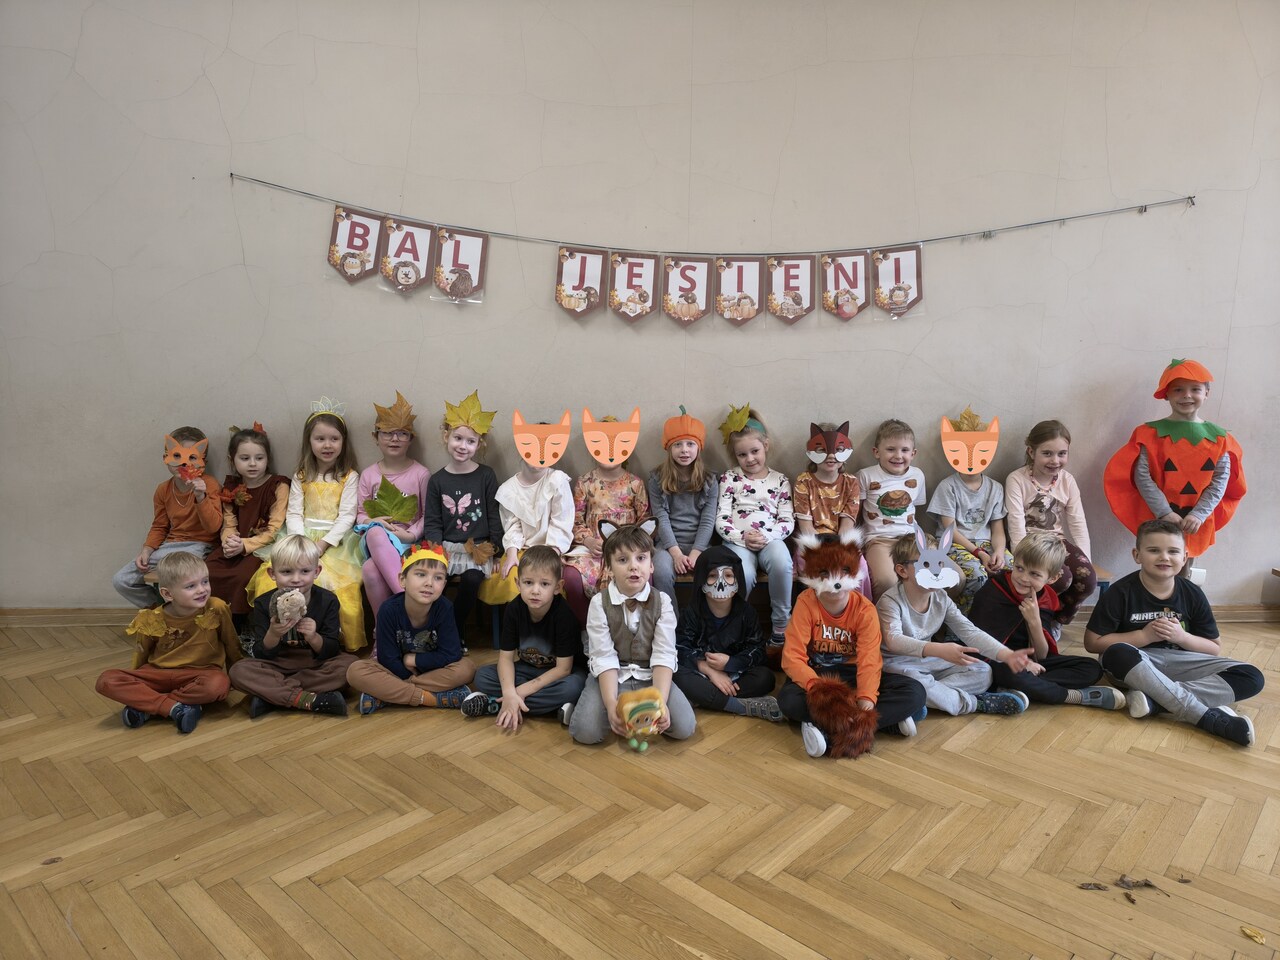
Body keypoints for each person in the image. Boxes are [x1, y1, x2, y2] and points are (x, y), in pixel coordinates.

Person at [1084, 519, 1264, 746]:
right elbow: (1092, 643)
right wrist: (1144, 637)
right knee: (1116, 652)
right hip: (1136, 665)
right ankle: (1206, 718)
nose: (1164, 557)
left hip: (1180, 663)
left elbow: (1213, 648)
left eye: (1173, 551)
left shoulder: (1192, 594)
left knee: (1251, 676)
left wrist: (1181, 637)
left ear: (1184, 557)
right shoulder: (1120, 592)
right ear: (1137, 555)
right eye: (1154, 550)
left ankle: (1156, 701)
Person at [778, 531, 927, 758]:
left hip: (854, 674)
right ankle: (881, 724)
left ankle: (826, 729)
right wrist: (820, 690)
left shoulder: (865, 609)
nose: (835, 582)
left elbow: (869, 660)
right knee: (788, 700)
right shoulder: (805, 602)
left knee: (915, 692)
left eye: (843, 571)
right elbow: (792, 658)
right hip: (818, 676)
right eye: (825, 573)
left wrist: (866, 699)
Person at [247, 398, 366, 650]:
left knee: (339, 585)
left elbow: (347, 516)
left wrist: (322, 544)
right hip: (300, 537)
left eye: (334, 439)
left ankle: (333, 641)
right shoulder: (302, 475)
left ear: (343, 442)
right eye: (320, 439)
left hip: (335, 542)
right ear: (309, 441)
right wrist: (300, 542)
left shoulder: (349, 476)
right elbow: (294, 513)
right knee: (269, 580)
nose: (327, 445)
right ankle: (276, 637)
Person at [1104, 359, 1247, 570]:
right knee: (1154, 565)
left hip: (1194, 521)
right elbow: (1142, 476)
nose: (1187, 395)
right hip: (1158, 515)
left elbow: (1220, 482)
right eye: (1178, 389)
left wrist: (1198, 514)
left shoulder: (1220, 439)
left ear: (1206, 393)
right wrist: (1164, 511)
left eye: (1195, 389)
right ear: (1166, 394)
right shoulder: (1148, 434)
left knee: (1183, 570)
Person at [877, 529, 1033, 718]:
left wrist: (1007, 655)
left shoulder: (941, 597)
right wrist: (938, 649)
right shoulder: (890, 601)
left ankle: (926, 699)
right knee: (916, 682)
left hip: (926, 661)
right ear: (902, 570)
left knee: (983, 671)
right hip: (895, 664)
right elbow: (893, 640)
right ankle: (975, 703)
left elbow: (970, 632)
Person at [568, 521, 697, 745]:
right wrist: (611, 704)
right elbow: (603, 656)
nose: (633, 566)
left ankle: (636, 712)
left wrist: (660, 701)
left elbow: (664, 654)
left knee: (684, 727)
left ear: (652, 565)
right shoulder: (599, 603)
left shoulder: (663, 602)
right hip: (613, 677)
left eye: (641, 558)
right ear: (609, 567)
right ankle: (579, 712)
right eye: (622, 560)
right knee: (586, 732)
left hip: (650, 677)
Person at [969, 532, 1122, 709]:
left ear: (1052, 578)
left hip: (1028, 663)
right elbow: (979, 645)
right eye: (1019, 568)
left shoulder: (1045, 598)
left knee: (1091, 667)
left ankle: (1020, 687)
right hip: (997, 660)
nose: (1023, 578)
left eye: (1034, 574)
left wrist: (1034, 621)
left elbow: (1042, 655)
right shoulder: (994, 589)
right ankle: (1071, 696)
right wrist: (1022, 663)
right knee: (1005, 672)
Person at [96, 552, 239, 734]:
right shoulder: (151, 617)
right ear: (167, 594)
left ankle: (150, 706)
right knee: (106, 680)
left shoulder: (216, 607)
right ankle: (177, 708)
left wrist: (235, 675)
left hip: (200, 674)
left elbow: (230, 641)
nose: (202, 590)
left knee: (218, 684)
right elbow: (141, 653)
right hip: (157, 673)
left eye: (205, 581)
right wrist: (136, 680)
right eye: (191, 586)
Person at [228, 535, 356, 717]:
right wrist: (273, 634)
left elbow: (332, 649)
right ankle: (307, 699)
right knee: (238, 671)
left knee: (351, 666)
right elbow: (260, 653)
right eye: (287, 572)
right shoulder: (263, 603)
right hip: (277, 664)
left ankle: (272, 696)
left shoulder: (328, 600)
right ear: (272, 574)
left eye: (305, 571)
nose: (296, 579)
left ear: (316, 571)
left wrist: (314, 637)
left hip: (314, 664)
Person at [460, 546, 586, 730]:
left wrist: (517, 692)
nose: (535, 591)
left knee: (574, 686)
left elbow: (563, 669)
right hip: (526, 670)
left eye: (544, 584)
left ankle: (496, 704)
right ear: (518, 584)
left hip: (557, 674)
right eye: (528, 583)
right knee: (482, 677)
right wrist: (509, 692)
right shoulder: (514, 609)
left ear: (558, 587)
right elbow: (505, 659)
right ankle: (548, 708)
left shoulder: (563, 615)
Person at [346, 542, 477, 713]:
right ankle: (432, 699)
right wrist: (408, 676)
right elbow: (387, 658)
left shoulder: (444, 608)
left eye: (438, 578)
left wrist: (413, 660)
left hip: (433, 670)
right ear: (402, 580)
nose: (429, 583)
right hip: (396, 671)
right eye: (421, 574)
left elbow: (451, 654)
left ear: (444, 584)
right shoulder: (388, 610)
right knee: (355, 671)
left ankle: (386, 695)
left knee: (467, 668)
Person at [112, 427, 223, 608]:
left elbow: (213, 527)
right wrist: (147, 550)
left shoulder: (209, 485)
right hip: (169, 547)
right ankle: (162, 610)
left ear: (203, 461)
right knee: (122, 579)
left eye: (192, 458)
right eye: (177, 456)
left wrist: (201, 497)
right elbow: (159, 526)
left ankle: (179, 612)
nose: (184, 463)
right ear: (166, 457)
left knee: (181, 580)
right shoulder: (163, 489)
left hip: (201, 546)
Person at [478, 410, 575, 609]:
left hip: (551, 550)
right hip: (522, 550)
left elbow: (561, 521)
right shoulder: (508, 490)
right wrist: (512, 554)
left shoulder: (557, 481)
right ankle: (518, 625)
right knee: (514, 582)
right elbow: (512, 526)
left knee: (547, 581)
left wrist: (552, 552)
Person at [423, 391, 502, 636]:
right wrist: (436, 552)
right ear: (446, 436)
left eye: (471, 441)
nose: (463, 446)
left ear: (479, 444)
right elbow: (433, 522)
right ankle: (432, 631)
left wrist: (497, 552)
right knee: (433, 582)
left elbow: (494, 516)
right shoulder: (437, 480)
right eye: (458, 438)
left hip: (479, 550)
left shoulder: (486, 475)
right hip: (447, 549)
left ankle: (453, 632)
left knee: (471, 580)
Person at [715, 405, 794, 646]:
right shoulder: (730, 478)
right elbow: (721, 519)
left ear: (765, 446)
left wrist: (766, 536)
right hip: (737, 542)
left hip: (770, 539)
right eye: (742, 455)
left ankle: (781, 626)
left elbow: (787, 520)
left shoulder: (779, 480)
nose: (749, 459)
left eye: (755, 451)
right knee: (743, 573)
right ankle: (737, 626)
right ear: (735, 455)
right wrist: (742, 537)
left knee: (782, 563)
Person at [673, 545, 782, 721]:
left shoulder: (747, 613)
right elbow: (680, 648)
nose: (720, 583)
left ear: (738, 579)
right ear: (701, 579)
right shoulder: (691, 612)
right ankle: (737, 706)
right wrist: (708, 669)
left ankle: (703, 698)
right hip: (702, 673)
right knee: (676, 674)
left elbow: (757, 650)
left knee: (765, 678)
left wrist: (731, 663)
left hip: (735, 675)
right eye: (712, 576)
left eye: (729, 576)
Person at [1004, 420, 1095, 627]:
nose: (1055, 460)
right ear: (1031, 452)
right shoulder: (1016, 479)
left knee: (1088, 579)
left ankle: (1055, 621)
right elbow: (1015, 523)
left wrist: (1086, 560)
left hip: (1057, 542)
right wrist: (1022, 559)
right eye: (1047, 453)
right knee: (1061, 578)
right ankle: (1033, 621)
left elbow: (1077, 522)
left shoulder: (1067, 480)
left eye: (1062, 454)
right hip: (1030, 544)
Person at [563, 409, 649, 623]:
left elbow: (644, 522)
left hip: (627, 550)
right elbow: (575, 519)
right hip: (592, 549)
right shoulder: (585, 482)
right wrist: (588, 540)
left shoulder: (635, 484)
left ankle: (627, 627)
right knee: (571, 578)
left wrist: (632, 547)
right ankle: (587, 627)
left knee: (641, 575)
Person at [356, 391, 431, 623]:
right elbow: (360, 515)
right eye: (387, 433)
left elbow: (428, 515)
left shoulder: (421, 474)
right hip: (375, 541)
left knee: (370, 570)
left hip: (408, 542)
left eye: (402, 433)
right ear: (375, 437)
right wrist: (372, 522)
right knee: (376, 532)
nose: (394, 439)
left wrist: (410, 534)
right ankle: (405, 599)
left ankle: (384, 628)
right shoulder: (369, 475)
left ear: (411, 438)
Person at [205, 423, 289, 627]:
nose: (253, 464)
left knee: (243, 576)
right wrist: (229, 541)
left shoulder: (278, 486)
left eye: (259, 458)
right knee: (207, 570)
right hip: (234, 546)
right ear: (232, 460)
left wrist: (244, 545)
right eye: (245, 458)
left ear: (267, 458)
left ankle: (238, 626)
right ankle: (212, 622)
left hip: (261, 547)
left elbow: (274, 529)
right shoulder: (231, 487)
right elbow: (229, 522)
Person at [928, 408, 1010, 612]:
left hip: (986, 544)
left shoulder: (995, 488)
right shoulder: (948, 487)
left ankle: (999, 622)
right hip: (955, 545)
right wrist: (979, 553)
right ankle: (962, 623)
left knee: (1012, 569)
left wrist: (999, 552)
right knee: (977, 575)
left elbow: (998, 529)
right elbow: (950, 531)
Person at [793, 420, 871, 599]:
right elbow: (806, 527)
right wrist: (823, 554)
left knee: (861, 568)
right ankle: (812, 610)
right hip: (813, 543)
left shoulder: (851, 483)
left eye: (838, 450)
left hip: (842, 542)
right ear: (812, 452)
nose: (830, 455)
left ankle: (859, 609)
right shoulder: (803, 482)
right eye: (822, 450)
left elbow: (846, 527)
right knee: (813, 568)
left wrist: (837, 554)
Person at [647, 407, 718, 604]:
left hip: (701, 544)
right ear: (669, 448)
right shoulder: (657, 479)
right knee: (660, 572)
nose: (684, 450)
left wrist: (696, 552)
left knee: (716, 571)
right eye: (677, 444)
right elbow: (660, 518)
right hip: (667, 545)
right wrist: (676, 553)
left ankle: (704, 618)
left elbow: (708, 520)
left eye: (690, 444)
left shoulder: (710, 480)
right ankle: (671, 619)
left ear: (699, 447)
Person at [856, 419, 927, 600]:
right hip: (878, 539)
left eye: (904, 450)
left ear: (913, 453)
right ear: (876, 452)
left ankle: (920, 613)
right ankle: (884, 616)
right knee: (886, 581)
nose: (898, 456)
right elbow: (856, 514)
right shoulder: (865, 476)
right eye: (890, 449)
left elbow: (915, 509)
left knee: (952, 577)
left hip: (911, 538)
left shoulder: (918, 475)